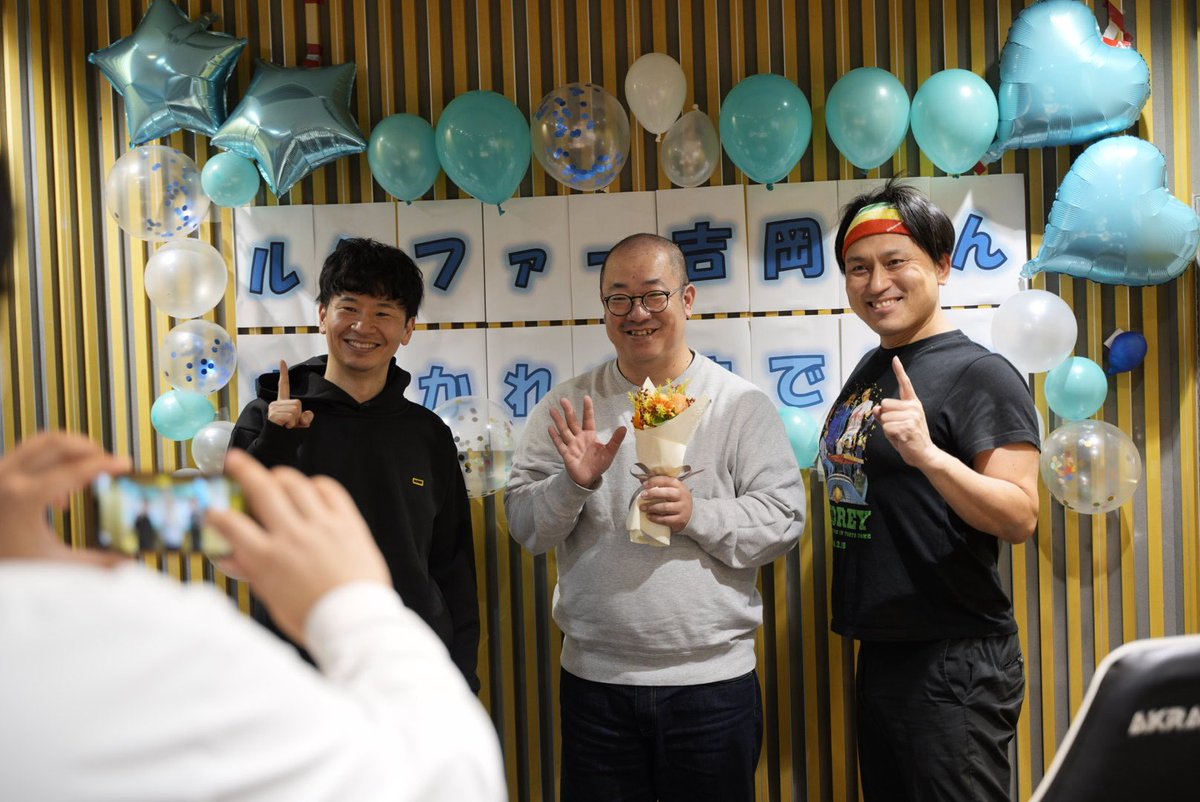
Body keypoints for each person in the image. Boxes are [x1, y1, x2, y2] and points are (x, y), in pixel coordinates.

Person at [0, 436, 506, 802]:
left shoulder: (425, 432)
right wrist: (352, 601)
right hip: (318, 659)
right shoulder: (169, 642)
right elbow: (450, 778)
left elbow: (452, 560)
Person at [506, 233, 806, 802]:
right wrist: (573, 485)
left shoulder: (739, 404)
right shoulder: (568, 406)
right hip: (596, 684)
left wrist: (697, 514)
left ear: (687, 299)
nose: (636, 313)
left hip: (711, 683)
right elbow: (526, 527)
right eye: (618, 298)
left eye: (653, 295)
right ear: (604, 309)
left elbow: (784, 518)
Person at [819, 179, 1040, 801]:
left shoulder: (981, 373)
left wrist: (930, 457)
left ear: (941, 266)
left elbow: (1020, 516)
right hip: (885, 647)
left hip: (953, 655)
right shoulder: (874, 367)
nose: (876, 283)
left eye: (896, 262)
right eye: (858, 268)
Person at [230, 237, 480, 691]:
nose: (363, 326)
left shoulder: (427, 433)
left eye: (384, 312)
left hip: (408, 670)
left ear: (408, 329)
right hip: (299, 672)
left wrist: (460, 677)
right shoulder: (269, 417)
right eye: (349, 307)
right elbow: (228, 536)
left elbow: (452, 565)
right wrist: (275, 443)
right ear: (322, 314)